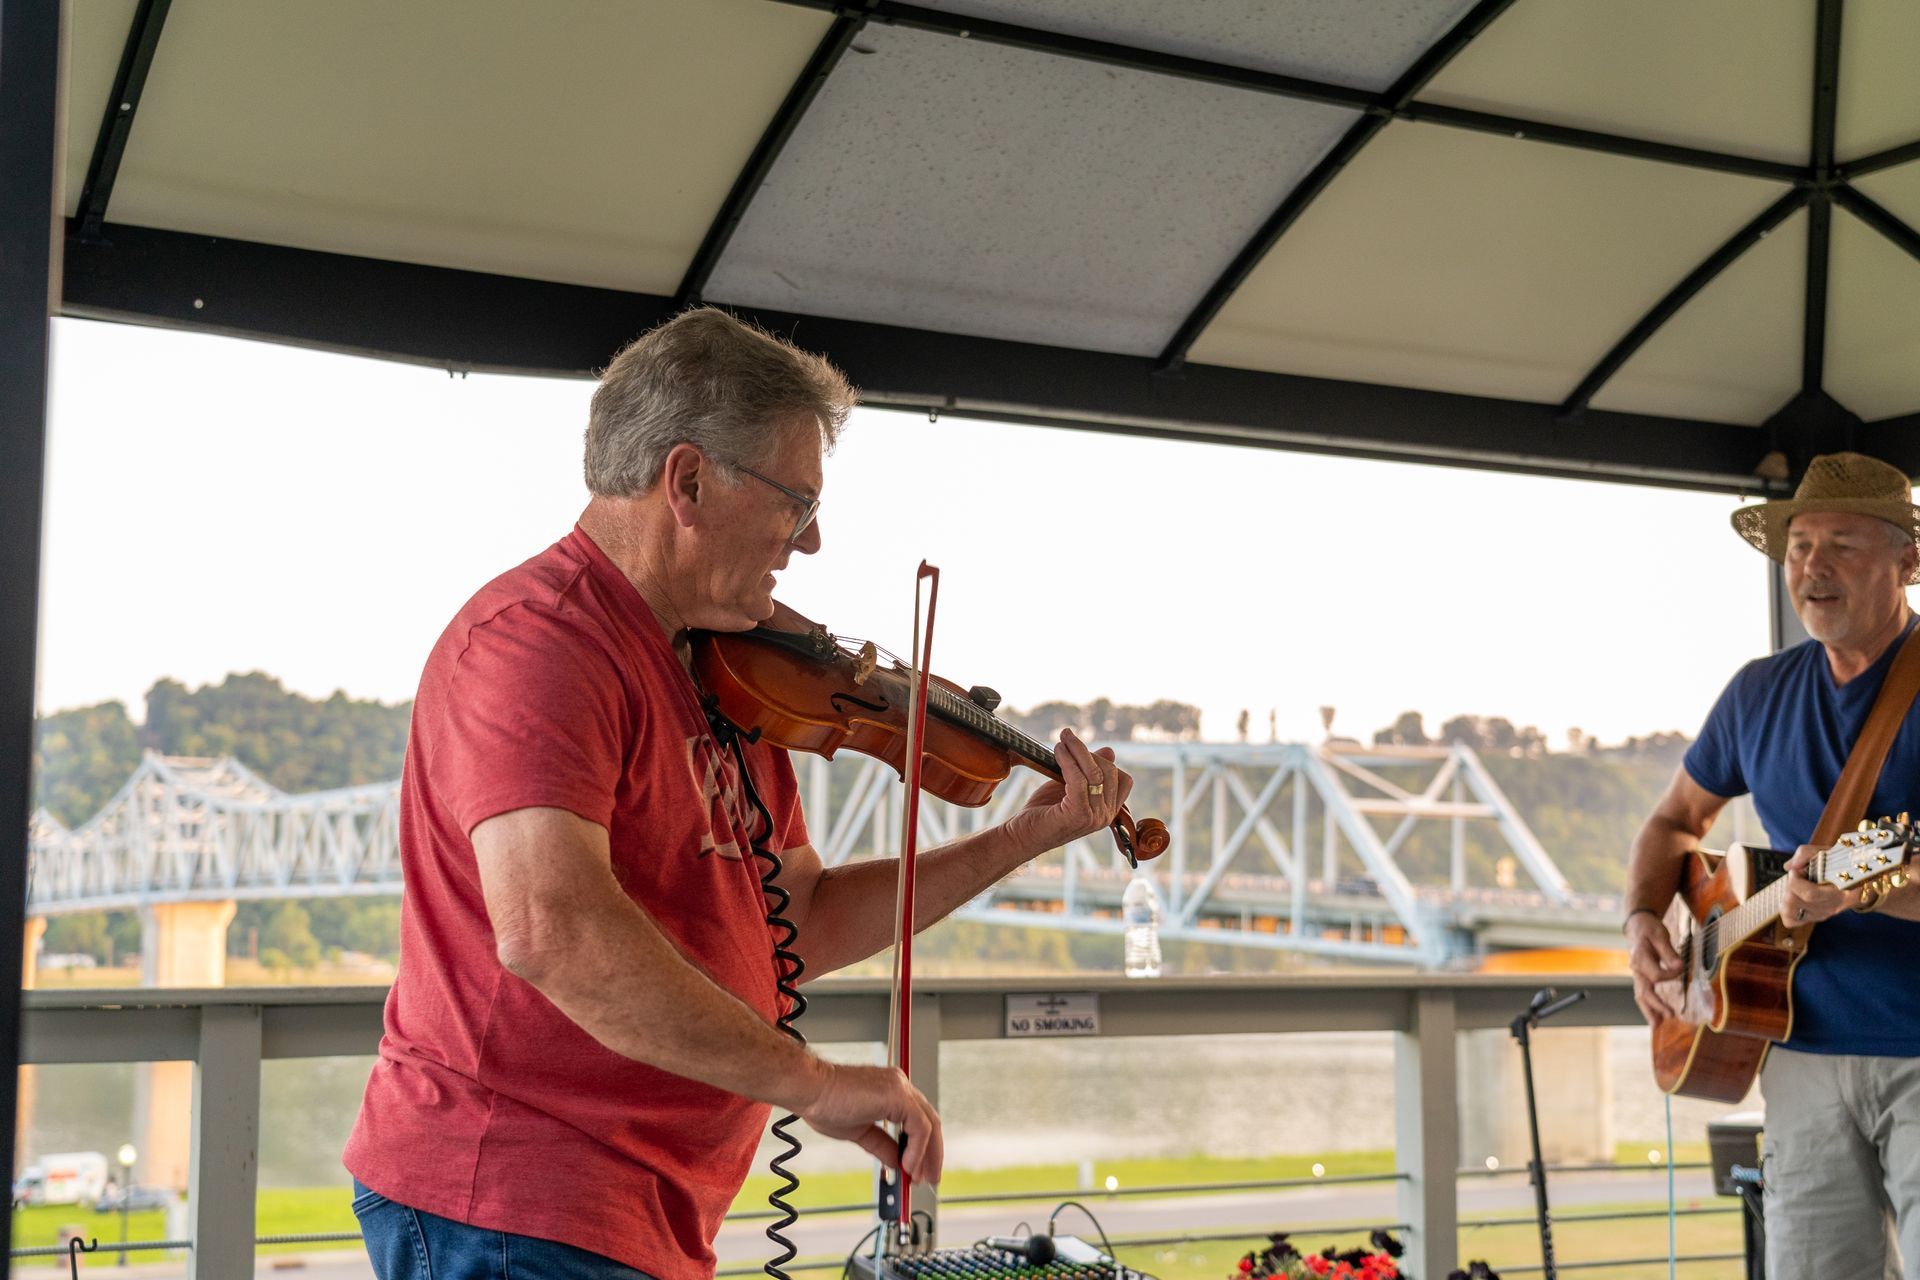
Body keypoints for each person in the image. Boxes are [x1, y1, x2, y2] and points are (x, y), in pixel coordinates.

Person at [343, 307, 1134, 1280]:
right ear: (687, 480)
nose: (808, 543)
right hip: (512, 1197)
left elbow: (800, 912)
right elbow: (552, 927)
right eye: (794, 504)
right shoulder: (538, 642)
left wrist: (1027, 834)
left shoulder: (730, 675)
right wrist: (809, 1081)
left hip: (635, 1210)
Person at [1623, 452, 1920, 1278]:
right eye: (1799, 547)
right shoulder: (1757, 692)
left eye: (1844, 546)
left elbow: (1898, 869)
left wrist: (1868, 891)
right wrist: (1645, 919)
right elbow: (1674, 822)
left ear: (1909, 563)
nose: (1813, 568)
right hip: (1796, 1056)